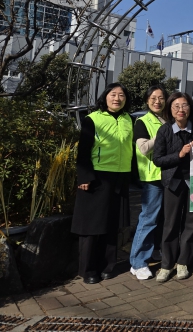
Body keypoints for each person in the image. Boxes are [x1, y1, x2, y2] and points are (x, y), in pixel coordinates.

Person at [71, 83, 133, 284]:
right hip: (97, 176)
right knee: (91, 226)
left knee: (111, 225)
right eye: (113, 94)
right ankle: (88, 270)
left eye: (121, 95)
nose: (117, 98)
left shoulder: (129, 119)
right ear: (105, 97)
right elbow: (83, 150)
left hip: (120, 177)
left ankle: (107, 266)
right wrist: (85, 177)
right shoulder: (93, 119)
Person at [153, 92, 193, 282]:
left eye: (184, 105)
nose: (180, 110)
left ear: (190, 108)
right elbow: (158, 160)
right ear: (170, 109)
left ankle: (184, 261)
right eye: (176, 106)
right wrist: (180, 154)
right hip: (174, 182)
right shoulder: (165, 130)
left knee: (192, 223)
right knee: (170, 224)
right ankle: (167, 264)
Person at [129, 85, 168, 281]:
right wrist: (162, 133)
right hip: (152, 177)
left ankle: (153, 251)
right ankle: (138, 262)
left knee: (162, 219)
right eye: (153, 98)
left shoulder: (167, 119)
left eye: (161, 98)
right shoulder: (142, 122)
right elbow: (143, 149)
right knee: (148, 219)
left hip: (168, 176)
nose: (157, 101)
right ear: (147, 100)